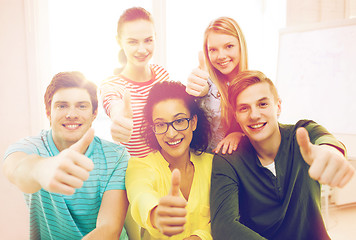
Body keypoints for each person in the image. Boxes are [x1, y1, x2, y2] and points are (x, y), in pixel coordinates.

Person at [210, 70, 355, 240]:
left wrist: (331, 152)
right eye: (244, 108)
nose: (254, 115)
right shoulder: (228, 160)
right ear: (236, 116)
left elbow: (328, 142)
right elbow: (223, 226)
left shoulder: (302, 134)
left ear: (278, 106)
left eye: (263, 104)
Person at [2, 71, 130, 240]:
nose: (71, 114)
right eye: (62, 106)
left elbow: (109, 229)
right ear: (48, 112)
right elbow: (16, 169)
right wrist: (41, 169)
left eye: (82, 106)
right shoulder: (30, 148)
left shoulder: (117, 156)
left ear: (94, 113)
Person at [126, 81, 213, 240]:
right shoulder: (139, 166)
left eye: (179, 121)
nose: (171, 133)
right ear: (153, 128)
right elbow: (140, 194)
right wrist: (156, 214)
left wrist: (200, 237)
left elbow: (222, 218)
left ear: (193, 122)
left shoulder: (213, 165)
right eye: (160, 124)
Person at [100, 6, 169, 158]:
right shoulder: (112, 85)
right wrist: (120, 121)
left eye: (148, 40)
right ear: (119, 41)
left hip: (168, 170)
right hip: (136, 174)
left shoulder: (162, 75)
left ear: (155, 37)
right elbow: (114, 106)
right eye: (133, 42)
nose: (142, 49)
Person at [186, 17, 248, 154]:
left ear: (240, 45)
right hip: (202, 162)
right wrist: (199, 91)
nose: (221, 56)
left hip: (237, 164)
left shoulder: (253, 83)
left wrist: (240, 134)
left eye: (229, 46)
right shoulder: (206, 82)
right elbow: (202, 91)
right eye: (213, 50)